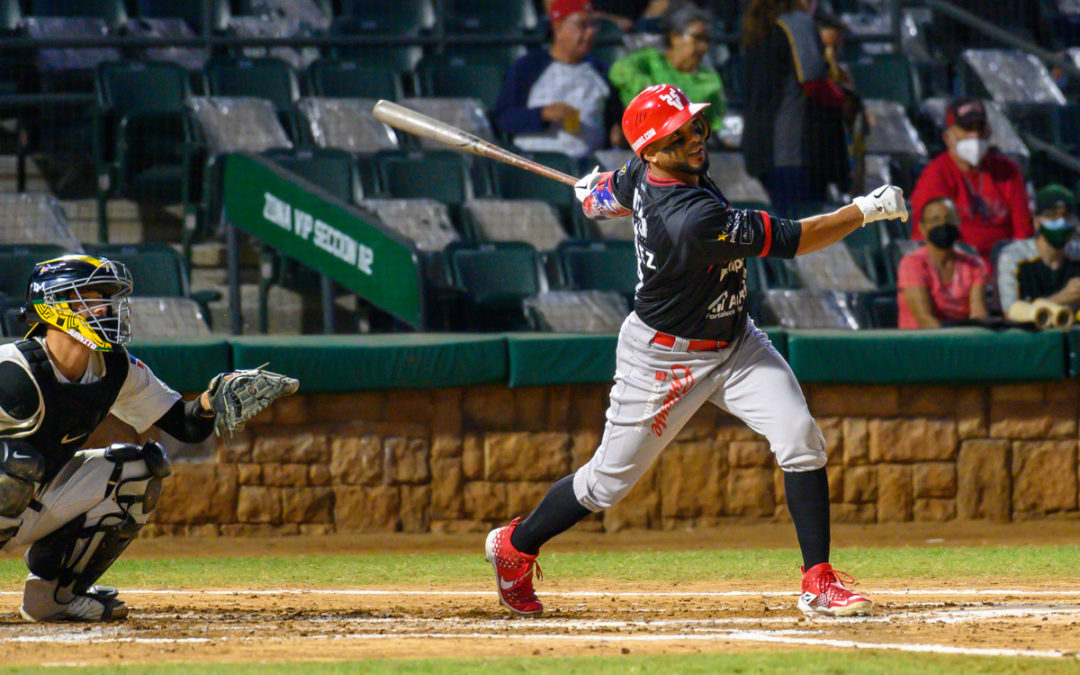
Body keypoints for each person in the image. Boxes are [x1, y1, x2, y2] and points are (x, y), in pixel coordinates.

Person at [484, 84, 907, 618]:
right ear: (652, 152)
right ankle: (515, 546)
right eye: (675, 137)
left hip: (733, 341)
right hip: (663, 360)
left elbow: (613, 191)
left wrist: (598, 193)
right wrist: (864, 211)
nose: (693, 141)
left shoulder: (650, 171)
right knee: (604, 484)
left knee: (800, 436)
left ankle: (818, 581)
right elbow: (795, 239)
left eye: (693, 129)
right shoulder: (690, 219)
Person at [0, 255, 290, 622]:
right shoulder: (10, 370)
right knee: (14, 465)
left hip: (34, 500)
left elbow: (186, 425)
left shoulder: (114, 367)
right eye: (90, 298)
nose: (105, 309)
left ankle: (52, 597)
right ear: (54, 306)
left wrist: (211, 401)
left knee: (138, 470)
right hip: (10, 486)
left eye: (107, 299)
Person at [740, 0, 856, 219]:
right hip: (794, 150)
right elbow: (813, 83)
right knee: (802, 235)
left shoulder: (758, 26)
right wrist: (845, 99)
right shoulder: (797, 22)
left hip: (762, 150)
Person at [492, 0, 624, 163]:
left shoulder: (601, 71)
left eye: (594, 25)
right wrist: (542, 114)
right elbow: (502, 118)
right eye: (582, 25)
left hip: (588, 164)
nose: (590, 32)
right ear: (558, 27)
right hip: (534, 162)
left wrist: (618, 136)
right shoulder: (529, 66)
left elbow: (615, 123)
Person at [909, 98, 1032, 264]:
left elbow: (1023, 231)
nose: (974, 135)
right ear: (947, 137)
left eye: (979, 128)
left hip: (1005, 266)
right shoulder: (936, 175)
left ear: (987, 133)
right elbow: (930, 237)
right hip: (959, 269)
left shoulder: (1008, 171)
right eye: (967, 129)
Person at [608, 4, 726, 134]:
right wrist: (651, 91)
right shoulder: (649, 60)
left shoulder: (709, 79)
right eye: (697, 38)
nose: (704, 47)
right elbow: (618, 70)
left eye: (706, 40)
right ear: (675, 37)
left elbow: (715, 123)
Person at [896, 197, 990, 329]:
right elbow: (924, 319)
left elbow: (978, 313)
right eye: (935, 220)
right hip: (922, 342)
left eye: (949, 218)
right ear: (922, 228)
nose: (943, 224)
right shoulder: (912, 264)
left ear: (958, 224)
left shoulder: (974, 264)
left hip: (963, 340)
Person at [997, 184, 1080, 314]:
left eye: (1066, 215)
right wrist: (1062, 298)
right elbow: (1010, 312)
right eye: (1052, 216)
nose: (1061, 222)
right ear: (1036, 222)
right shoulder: (1013, 257)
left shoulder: (1077, 254)